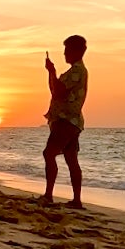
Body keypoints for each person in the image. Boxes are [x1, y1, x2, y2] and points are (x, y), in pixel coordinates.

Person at [40, 35, 88, 209]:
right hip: (71, 121)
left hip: (67, 120)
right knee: (70, 158)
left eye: (67, 50)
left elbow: (59, 91)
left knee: (49, 153)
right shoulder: (75, 71)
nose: (64, 54)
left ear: (76, 51)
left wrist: (52, 72)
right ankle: (76, 200)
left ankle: (48, 195)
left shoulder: (77, 71)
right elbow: (55, 89)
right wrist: (51, 73)